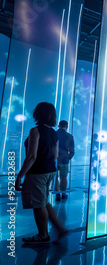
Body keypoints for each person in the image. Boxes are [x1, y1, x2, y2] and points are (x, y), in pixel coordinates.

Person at [14, 102, 68, 244]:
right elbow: (55, 155)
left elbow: (32, 156)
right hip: (49, 170)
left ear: (37, 113)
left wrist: (20, 176)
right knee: (43, 202)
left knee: (38, 205)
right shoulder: (53, 134)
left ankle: (43, 236)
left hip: (38, 172)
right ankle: (60, 229)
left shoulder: (35, 131)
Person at [55, 120, 75, 201]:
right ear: (67, 127)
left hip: (54, 160)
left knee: (55, 177)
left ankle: (57, 194)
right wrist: (68, 157)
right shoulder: (70, 136)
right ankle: (63, 194)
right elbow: (72, 151)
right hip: (64, 160)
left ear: (58, 126)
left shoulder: (53, 134)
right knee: (64, 177)